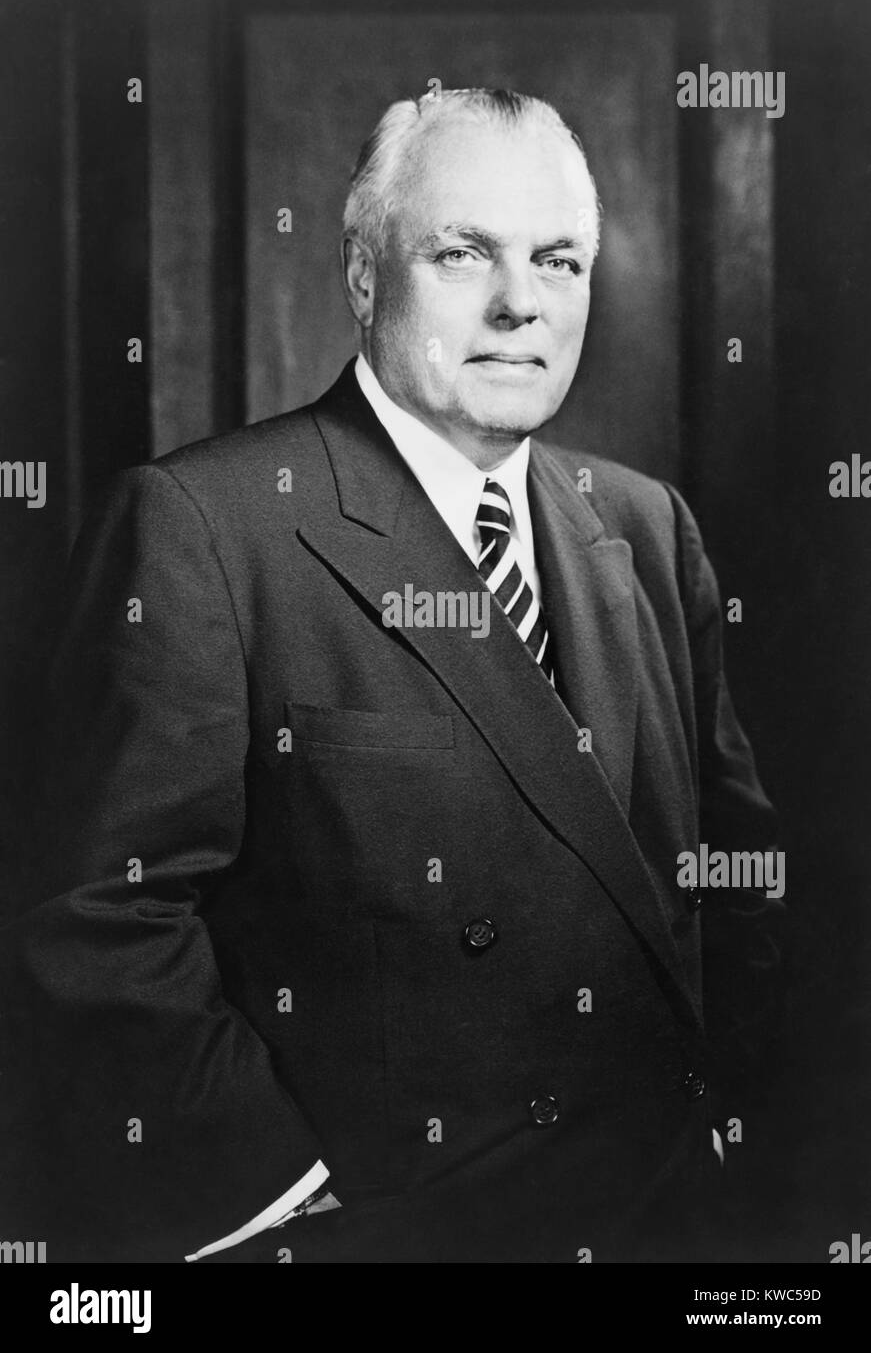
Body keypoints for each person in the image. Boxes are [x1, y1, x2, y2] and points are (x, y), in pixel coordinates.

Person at [0, 87, 781, 1263]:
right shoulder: (208, 525)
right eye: (464, 252)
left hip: (664, 1228)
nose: (522, 304)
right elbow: (96, 918)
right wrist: (296, 1205)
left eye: (559, 261)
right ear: (365, 277)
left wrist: (746, 1136)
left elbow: (731, 877)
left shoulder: (643, 525)